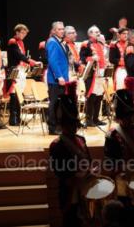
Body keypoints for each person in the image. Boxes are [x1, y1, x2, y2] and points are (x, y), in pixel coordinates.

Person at [49, 81, 91, 227]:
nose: (74, 128)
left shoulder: (81, 140)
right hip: (70, 195)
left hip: (85, 192)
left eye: (74, 124)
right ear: (63, 125)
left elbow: (88, 162)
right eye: (70, 124)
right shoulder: (57, 146)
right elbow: (61, 174)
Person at [104, 88, 134, 174]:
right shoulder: (112, 135)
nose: (129, 119)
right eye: (126, 117)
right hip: (122, 175)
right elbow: (109, 164)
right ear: (119, 118)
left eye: (130, 116)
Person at [5, 23, 41, 126]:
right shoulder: (13, 42)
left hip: (20, 70)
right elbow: (19, 55)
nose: (24, 35)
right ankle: (13, 119)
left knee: (19, 94)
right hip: (14, 70)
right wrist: (32, 62)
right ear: (17, 32)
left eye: (25, 33)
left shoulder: (20, 42)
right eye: (22, 33)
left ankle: (18, 117)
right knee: (14, 94)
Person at [80, 25, 107, 127]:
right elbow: (81, 58)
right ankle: (88, 120)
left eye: (99, 31)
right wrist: (91, 58)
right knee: (91, 97)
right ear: (90, 33)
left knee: (99, 96)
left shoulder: (100, 44)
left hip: (101, 73)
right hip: (92, 74)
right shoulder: (85, 44)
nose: (98, 33)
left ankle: (96, 119)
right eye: (96, 32)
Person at [46, 21, 69, 135]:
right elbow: (53, 61)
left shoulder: (60, 42)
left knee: (59, 104)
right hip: (56, 79)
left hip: (63, 78)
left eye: (63, 29)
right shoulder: (52, 42)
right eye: (59, 29)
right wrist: (59, 76)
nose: (62, 31)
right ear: (54, 30)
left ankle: (59, 126)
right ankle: (52, 128)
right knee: (54, 103)